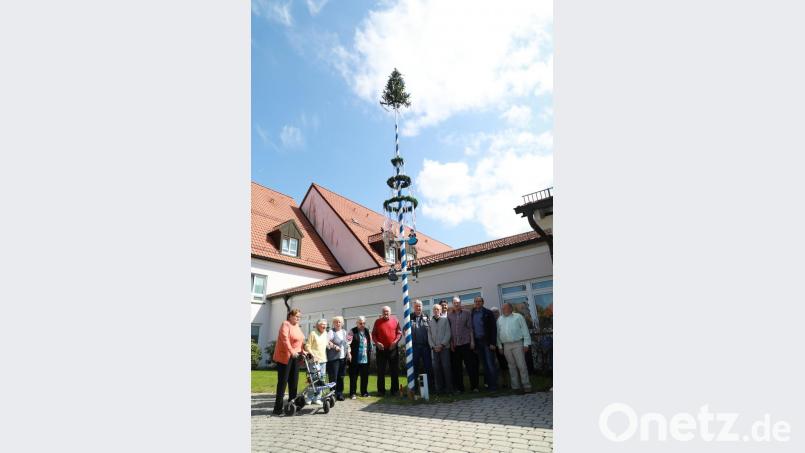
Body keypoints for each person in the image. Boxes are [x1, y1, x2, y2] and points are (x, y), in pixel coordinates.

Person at [272, 308, 306, 415]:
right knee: (283, 382)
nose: (298, 318)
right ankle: (277, 408)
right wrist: (292, 351)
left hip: (296, 356)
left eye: (299, 317)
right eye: (296, 316)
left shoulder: (297, 327)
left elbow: (300, 341)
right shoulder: (285, 324)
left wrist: (303, 351)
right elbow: (285, 339)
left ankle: (292, 405)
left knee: (294, 381)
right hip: (285, 357)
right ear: (290, 316)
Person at [496, 302, 533, 393]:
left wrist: (526, 343)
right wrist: (500, 346)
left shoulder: (518, 317)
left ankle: (526, 385)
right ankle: (515, 387)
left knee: (521, 365)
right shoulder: (499, 319)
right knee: (511, 366)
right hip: (506, 345)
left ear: (510, 308)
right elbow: (498, 334)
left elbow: (525, 330)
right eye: (502, 308)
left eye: (505, 308)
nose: (503, 310)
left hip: (517, 343)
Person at [447, 296, 479, 392]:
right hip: (455, 345)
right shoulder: (449, 315)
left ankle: (474, 387)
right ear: (452, 304)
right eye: (454, 303)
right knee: (457, 368)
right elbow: (449, 331)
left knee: (470, 366)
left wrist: (472, 341)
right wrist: (451, 343)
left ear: (460, 303)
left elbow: (470, 328)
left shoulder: (467, 313)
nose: (456, 304)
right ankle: (460, 388)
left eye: (458, 302)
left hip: (466, 343)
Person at [371, 306, 402, 396]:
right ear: (382, 313)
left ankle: (395, 390)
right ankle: (381, 391)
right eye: (384, 311)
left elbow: (399, 333)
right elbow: (373, 334)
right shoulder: (377, 321)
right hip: (381, 350)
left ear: (390, 312)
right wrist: (377, 343)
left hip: (393, 349)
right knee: (381, 371)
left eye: (387, 311)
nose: (386, 313)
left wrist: (395, 342)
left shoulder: (395, 320)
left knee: (394, 371)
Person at [471, 296, 499, 391]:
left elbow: (493, 329)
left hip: (487, 342)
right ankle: (488, 384)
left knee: (490, 364)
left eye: (479, 301)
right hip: (478, 342)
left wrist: (493, 343)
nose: (477, 303)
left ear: (483, 302)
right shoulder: (472, 313)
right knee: (484, 365)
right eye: (476, 301)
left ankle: (493, 386)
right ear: (474, 303)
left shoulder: (488, 312)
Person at [428, 303, 453, 395]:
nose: (436, 311)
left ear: (441, 310)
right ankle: (439, 389)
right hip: (434, 349)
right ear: (433, 311)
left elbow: (448, 333)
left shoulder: (445, 320)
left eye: (438, 309)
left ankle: (449, 389)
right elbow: (429, 335)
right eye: (434, 309)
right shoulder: (430, 321)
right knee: (436, 369)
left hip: (444, 348)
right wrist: (433, 346)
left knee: (446, 368)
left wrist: (442, 345)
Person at [410, 299, 434, 395]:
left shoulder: (426, 316)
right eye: (416, 306)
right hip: (414, 347)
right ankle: (414, 388)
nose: (418, 308)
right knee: (414, 368)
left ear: (422, 307)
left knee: (428, 367)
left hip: (425, 346)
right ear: (413, 307)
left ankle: (430, 388)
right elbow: (405, 329)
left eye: (419, 306)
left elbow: (431, 329)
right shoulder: (409, 317)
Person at [304, 319, 329, 405]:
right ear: (318, 325)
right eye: (323, 324)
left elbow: (326, 344)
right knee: (313, 379)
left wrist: (332, 346)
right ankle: (309, 397)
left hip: (323, 360)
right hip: (314, 361)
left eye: (325, 324)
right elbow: (307, 346)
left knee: (321, 379)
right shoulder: (313, 333)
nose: (324, 326)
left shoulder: (325, 333)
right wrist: (312, 355)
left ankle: (318, 397)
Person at [326, 316, 350, 401]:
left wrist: (349, 353)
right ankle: (332, 394)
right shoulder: (331, 332)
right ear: (333, 323)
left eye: (339, 322)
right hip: (333, 359)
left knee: (341, 377)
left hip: (342, 358)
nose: (338, 323)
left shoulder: (344, 332)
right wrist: (334, 346)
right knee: (333, 377)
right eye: (336, 322)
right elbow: (326, 342)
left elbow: (347, 344)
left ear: (342, 323)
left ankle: (339, 394)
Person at [348, 316, 372, 399]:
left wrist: (370, 350)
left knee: (365, 376)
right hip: (355, 357)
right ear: (357, 323)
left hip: (365, 358)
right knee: (354, 376)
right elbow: (348, 343)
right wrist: (349, 353)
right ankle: (352, 393)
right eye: (360, 323)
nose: (362, 325)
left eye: (364, 323)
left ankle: (364, 392)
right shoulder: (352, 331)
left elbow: (370, 342)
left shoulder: (367, 331)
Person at [490, 307, 509, 388]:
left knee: (505, 365)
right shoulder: (490, 322)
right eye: (493, 312)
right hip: (493, 346)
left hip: (504, 345)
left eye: (496, 312)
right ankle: (500, 382)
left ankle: (507, 382)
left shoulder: (503, 320)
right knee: (497, 365)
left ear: (499, 313)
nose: (495, 314)